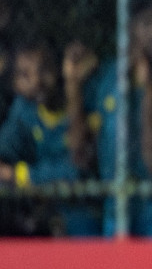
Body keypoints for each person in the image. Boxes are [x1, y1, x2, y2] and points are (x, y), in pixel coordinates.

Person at [86, 0, 152, 237]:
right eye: (147, 23)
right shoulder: (109, 77)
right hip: (116, 208)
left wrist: (147, 91)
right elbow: (83, 154)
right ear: (130, 28)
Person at [0, 37, 97, 236]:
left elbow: (77, 172)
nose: (37, 82)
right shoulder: (24, 110)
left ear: (58, 67)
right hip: (45, 212)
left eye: (44, 70)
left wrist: (21, 175)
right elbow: (5, 154)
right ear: (13, 84)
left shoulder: (83, 98)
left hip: (85, 212)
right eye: (24, 76)